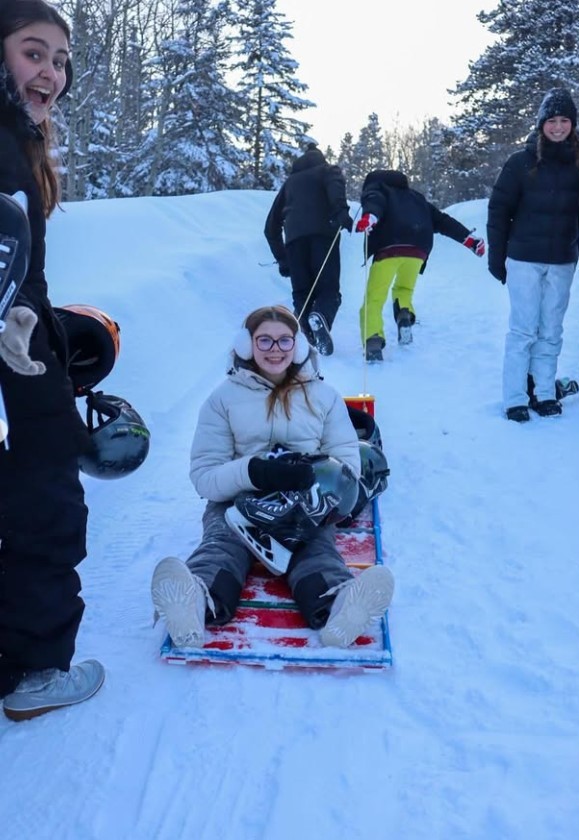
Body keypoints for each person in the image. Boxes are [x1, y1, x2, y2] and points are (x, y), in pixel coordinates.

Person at [151, 305, 394, 649]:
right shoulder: (222, 400)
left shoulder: (323, 397)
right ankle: (194, 601)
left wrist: (317, 481)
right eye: (264, 340)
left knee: (316, 549)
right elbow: (204, 476)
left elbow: (348, 463)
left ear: (297, 346)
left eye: (284, 341)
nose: (275, 349)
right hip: (237, 500)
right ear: (246, 345)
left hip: (305, 503)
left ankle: (340, 606)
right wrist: (252, 471)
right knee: (222, 545)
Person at [0, 0, 105, 721]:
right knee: (46, 509)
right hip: (16, 373)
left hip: (26, 356)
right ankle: (37, 670)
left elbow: (20, 274)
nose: (52, 72)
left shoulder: (18, 144)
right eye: (34, 53)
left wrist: (59, 337)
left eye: (61, 60)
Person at [487, 88, 579, 422]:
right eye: (552, 121)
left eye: (565, 121)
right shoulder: (521, 162)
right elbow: (499, 210)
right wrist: (497, 255)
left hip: (563, 260)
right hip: (523, 259)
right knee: (523, 330)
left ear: (572, 125)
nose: (559, 127)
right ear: (541, 124)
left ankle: (545, 393)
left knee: (551, 330)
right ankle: (516, 398)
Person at [355, 169, 485, 361]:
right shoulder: (416, 198)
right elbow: (442, 220)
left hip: (389, 247)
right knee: (404, 289)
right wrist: (469, 239)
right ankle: (404, 315)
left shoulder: (377, 188)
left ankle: (373, 339)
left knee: (374, 299)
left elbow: (375, 202)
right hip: (418, 249)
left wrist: (370, 217)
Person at [264, 144, 353, 357]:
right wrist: (340, 211)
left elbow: (270, 228)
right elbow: (335, 184)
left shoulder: (289, 184)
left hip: (294, 243)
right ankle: (319, 317)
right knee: (328, 289)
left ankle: (306, 338)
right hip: (323, 236)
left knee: (302, 293)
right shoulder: (327, 170)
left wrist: (283, 260)